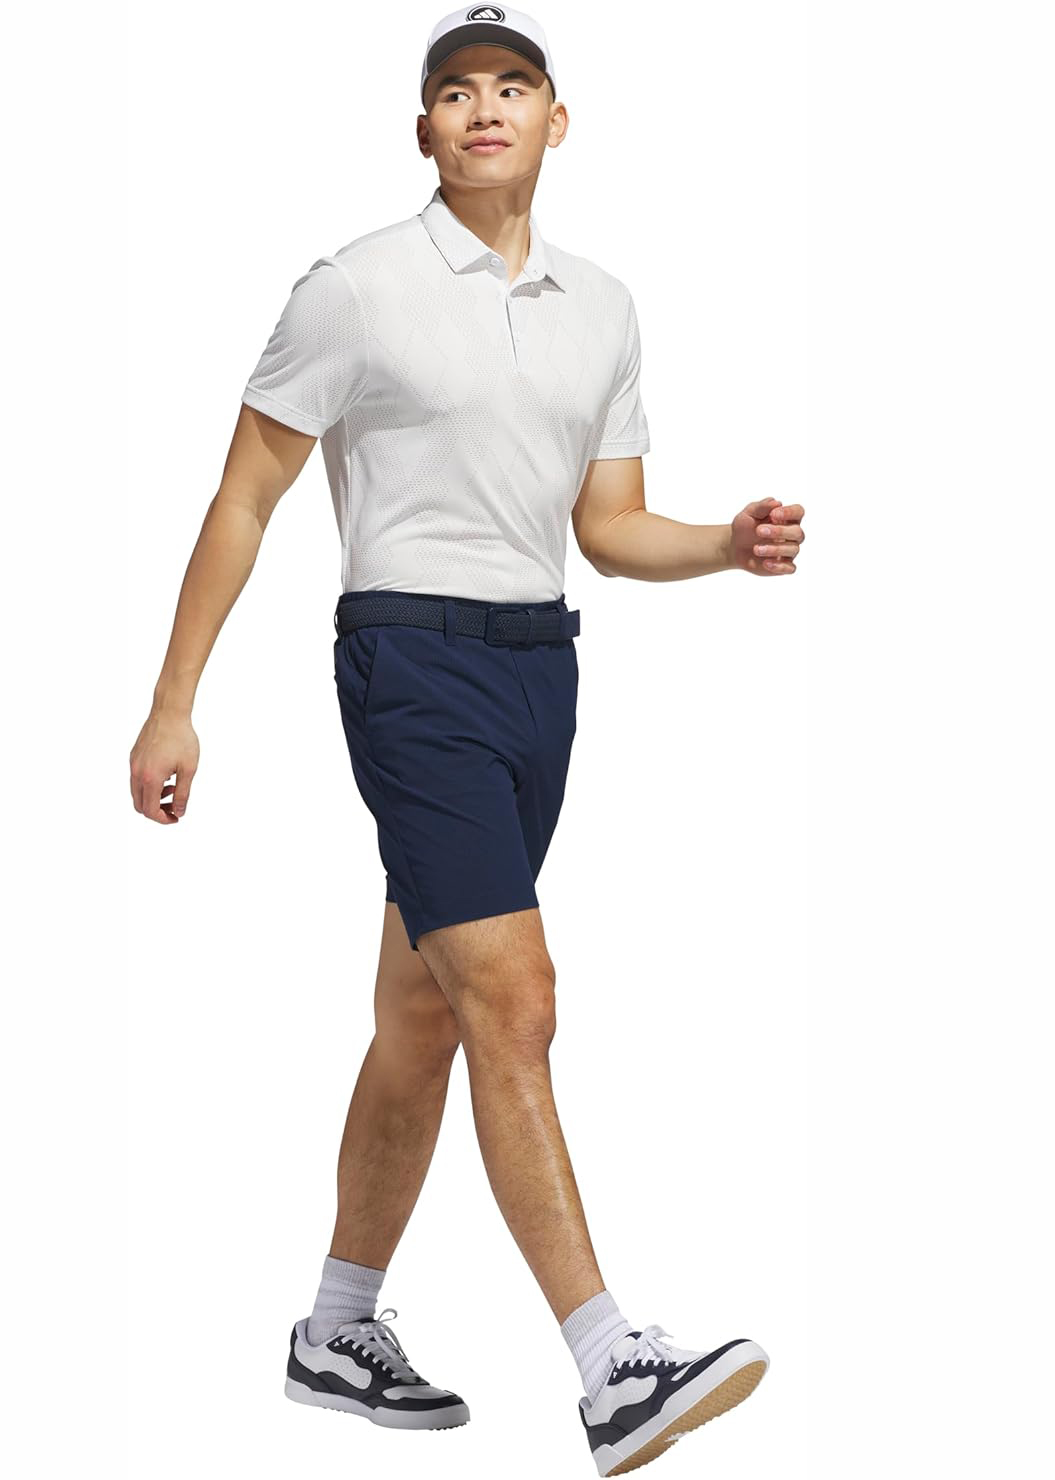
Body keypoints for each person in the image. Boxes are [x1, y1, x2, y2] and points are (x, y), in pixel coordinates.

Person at [129, 7, 805, 1474]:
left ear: (558, 121)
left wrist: (722, 544)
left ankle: (335, 1328)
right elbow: (245, 496)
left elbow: (609, 526)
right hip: (410, 662)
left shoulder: (602, 305)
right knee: (516, 997)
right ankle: (611, 1362)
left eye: (513, 85)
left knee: (424, 1015)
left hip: (539, 668)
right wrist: (176, 698)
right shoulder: (354, 288)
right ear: (423, 129)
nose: (484, 107)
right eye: (455, 90)